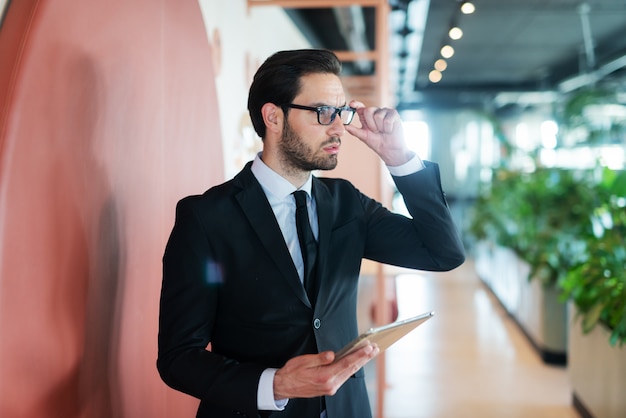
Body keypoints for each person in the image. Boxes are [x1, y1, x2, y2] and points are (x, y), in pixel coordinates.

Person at [157, 49, 465, 418]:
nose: (339, 128)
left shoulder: (347, 204)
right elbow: (178, 357)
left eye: (342, 113)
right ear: (273, 116)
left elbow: (443, 253)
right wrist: (275, 384)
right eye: (323, 113)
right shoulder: (207, 217)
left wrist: (400, 159)